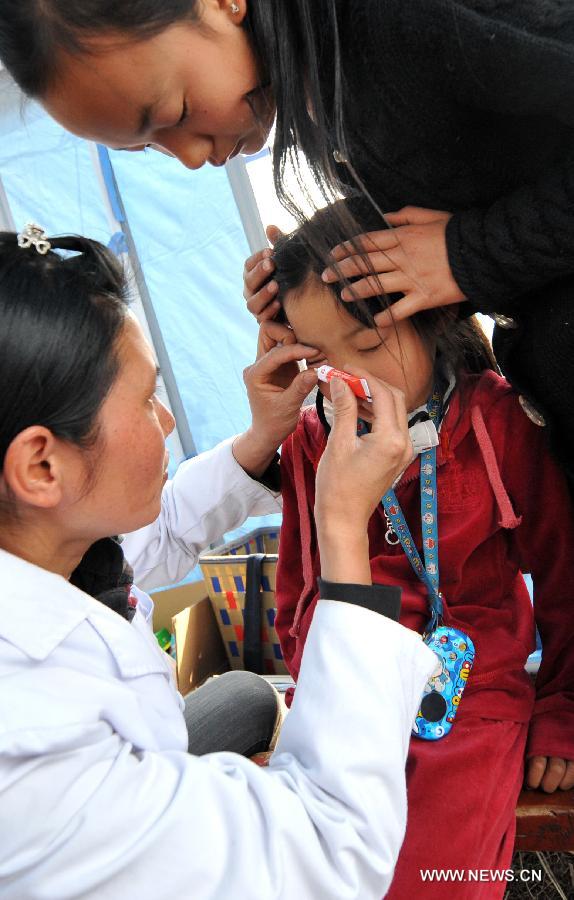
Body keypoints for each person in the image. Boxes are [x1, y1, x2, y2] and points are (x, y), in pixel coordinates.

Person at [0, 225, 438, 899]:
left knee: (242, 694)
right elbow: (331, 851)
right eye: (147, 398)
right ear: (40, 464)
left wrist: (265, 437)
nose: (169, 418)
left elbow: (166, 527)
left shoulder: (41, 547)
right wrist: (342, 526)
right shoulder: (31, 752)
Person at [0, 0, 572, 487]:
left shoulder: (403, 19)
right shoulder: (323, 82)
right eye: (147, 147)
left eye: (173, 112)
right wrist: (308, 280)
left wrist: (471, 254)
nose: (193, 157)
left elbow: (470, 241)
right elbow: (484, 194)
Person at [261, 199, 574, 899]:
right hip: (353, 687)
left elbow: (563, 579)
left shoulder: (501, 421)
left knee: (431, 869)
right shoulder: (317, 438)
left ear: (432, 315)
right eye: (321, 357)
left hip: (473, 694)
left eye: (368, 347)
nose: (349, 382)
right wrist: (317, 695)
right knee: (314, 858)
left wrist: (562, 710)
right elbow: (298, 587)